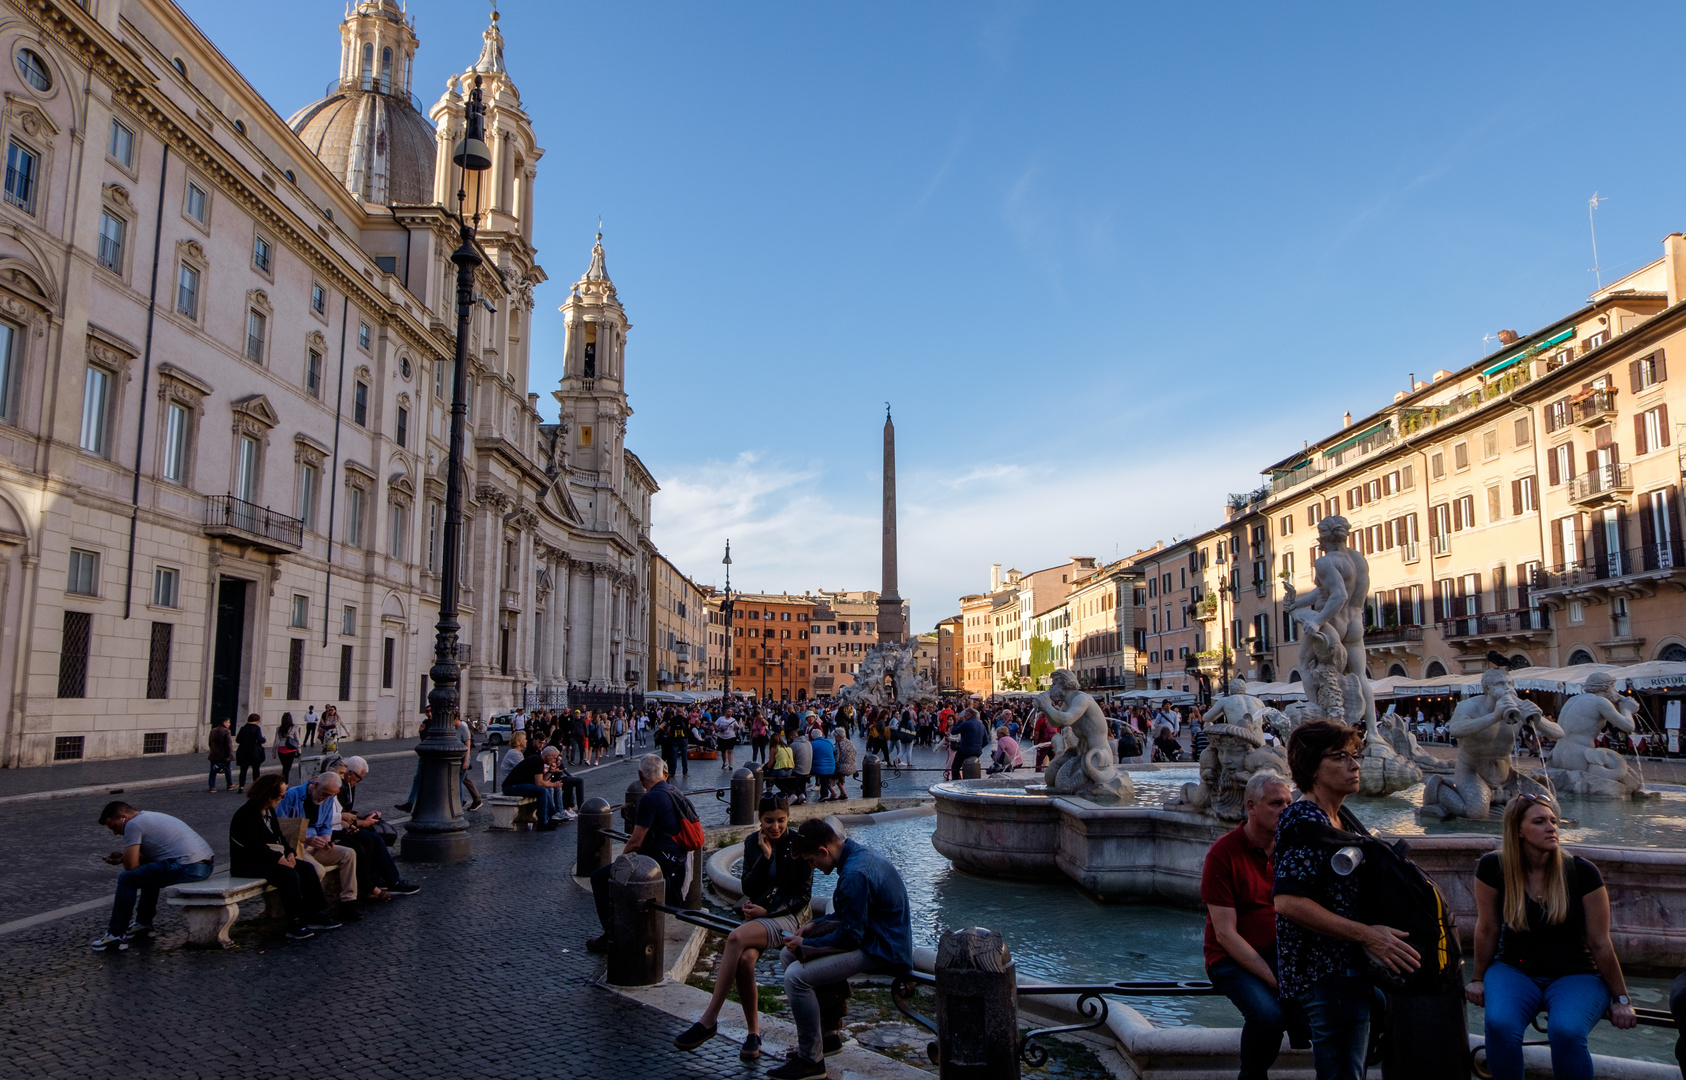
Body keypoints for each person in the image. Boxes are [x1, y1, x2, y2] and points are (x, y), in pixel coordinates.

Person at [1273, 720, 1419, 1080]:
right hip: (1327, 973)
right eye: (1340, 757)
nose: (1355, 765)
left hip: (1345, 971)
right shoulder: (1304, 820)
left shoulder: (1337, 818)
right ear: (1311, 767)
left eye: (1355, 755)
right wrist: (1368, 935)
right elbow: (1288, 901)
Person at [1466, 793, 1634, 1080]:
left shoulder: (1582, 872)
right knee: (1499, 1025)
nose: (1551, 827)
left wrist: (1621, 998)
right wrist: (1478, 978)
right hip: (1514, 968)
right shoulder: (1494, 867)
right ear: (1517, 830)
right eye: (1540, 821)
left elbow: (1600, 942)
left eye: (1554, 821)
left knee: (1566, 1031)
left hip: (1576, 974)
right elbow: (1487, 928)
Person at [674, 794, 814, 1061]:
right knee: (745, 962)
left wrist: (768, 911)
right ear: (759, 820)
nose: (775, 827)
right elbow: (748, 887)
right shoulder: (753, 843)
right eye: (769, 821)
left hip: (792, 918)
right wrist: (765, 856)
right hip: (762, 916)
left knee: (735, 938)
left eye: (781, 820)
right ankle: (753, 1034)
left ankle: (709, 1019)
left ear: (788, 818)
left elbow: (803, 895)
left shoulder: (798, 843)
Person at [770, 819, 913, 1080]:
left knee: (795, 978)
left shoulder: (854, 875)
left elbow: (850, 937)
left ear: (823, 851)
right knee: (787, 954)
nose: (812, 866)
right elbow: (850, 917)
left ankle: (810, 1060)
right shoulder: (856, 854)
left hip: (882, 949)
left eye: (811, 861)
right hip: (873, 937)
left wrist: (808, 944)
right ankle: (828, 1036)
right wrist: (812, 927)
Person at [1203, 771, 1299, 1080]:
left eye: (1288, 802)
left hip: (1280, 953)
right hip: (1228, 959)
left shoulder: (1293, 849)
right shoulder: (1223, 852)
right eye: (1275, 803)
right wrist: (1273, 978)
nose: (1285, 809)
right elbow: (1225, 934)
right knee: (1268, 1016)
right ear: (1251, 807)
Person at [588, 755, 691, 953]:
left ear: (640, 775)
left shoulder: (650, 798)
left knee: (600, 878)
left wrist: (621, 863)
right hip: (677, 861)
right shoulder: (675, 792)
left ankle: (612, 933)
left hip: (657, 862)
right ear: (665, 773)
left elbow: (636, 841)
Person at [91, 802, 216, 949]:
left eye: (114, 826)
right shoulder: (148, 817)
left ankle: (115, 935)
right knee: (147, 872)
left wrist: (126, 858)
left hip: (187, 866)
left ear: (123, 817)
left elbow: (130, 866)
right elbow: (148, 858)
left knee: (126, 878)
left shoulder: (133, 825)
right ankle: (143, 924)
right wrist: (123, 857)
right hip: (204, 865)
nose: (115, 833)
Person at [230, 775, 337, 941]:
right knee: (288, 874)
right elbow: (255, 847)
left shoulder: (269, 811)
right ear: (268, 795)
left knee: (307, 869)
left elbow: (280, 836)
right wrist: (280, 860)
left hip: (267, 858)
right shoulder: (246, 814)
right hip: (248, 862)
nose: (282, 798)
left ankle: (316, 914)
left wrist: (289, 852)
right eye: (280, 796)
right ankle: (294, 922)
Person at [328, 756, 419, 898]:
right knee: (372, 839)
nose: (342, 776)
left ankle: (383, 878)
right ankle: (390, 881)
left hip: (341, 826)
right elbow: (338, 816)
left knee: (374, 837)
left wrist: (364, 816)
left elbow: (346, 813)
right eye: (341, 773)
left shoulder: (348, 786)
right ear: (351, 774)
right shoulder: (337, 787)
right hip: (336, 829)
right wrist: (362, 823)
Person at [277, 772, 360, 914]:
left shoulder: (327, 799)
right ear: (315, 785)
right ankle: (312, 909)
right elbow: (280, 827)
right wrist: (307, 839)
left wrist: (327, 838)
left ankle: (348, 901)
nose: (326, 798)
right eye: (325, 793)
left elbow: (326, 825)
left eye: (330, 795)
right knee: (317, 870)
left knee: (349, 853)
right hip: (297, 846)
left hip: (317, 844)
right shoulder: (292, 795)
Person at [502, 746, 574, 828]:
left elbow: (542, 780)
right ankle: (543, 822)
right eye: (554, 758)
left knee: (545, 789)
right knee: (542, 791)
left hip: (517, 785)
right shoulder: (537, 760)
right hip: (511, 787)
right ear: (548, 756)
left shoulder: (538, 760)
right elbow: (539, 783)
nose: (554, 761)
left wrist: (551, 771)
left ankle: (552, 814)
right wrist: (554, 785)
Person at [456, 713, 484, 812]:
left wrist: (466, 761)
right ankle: (477, 799)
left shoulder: (463, 728)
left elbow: (468, 746)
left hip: (463, 759)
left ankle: (460, 801)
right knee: (465, 780)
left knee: (458, 781)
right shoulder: (452, 728)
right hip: (456, 760)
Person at [949, 708, 987, 779]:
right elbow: (986, 741)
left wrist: (959, 721)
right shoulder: (981, 725)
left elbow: (954, 731)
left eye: (965, 714)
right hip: (977, 752)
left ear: (969, 715)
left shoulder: (966, 724)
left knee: (955, 767)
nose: (964, 716)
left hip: (965, 750)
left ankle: (956, 782)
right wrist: (978, 747)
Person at [234, 713, 267, 791]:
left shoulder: (243, 728)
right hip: (254, 751)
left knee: (243, 770)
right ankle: (256, 786)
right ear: (256, 720)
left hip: (243, 751)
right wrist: (264, 739)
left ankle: (241, 787)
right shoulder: (257, 728)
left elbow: (237, 740)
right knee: (256, 769)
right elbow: (260, 740)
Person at [809, 729, 837, 802]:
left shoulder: (812, 744)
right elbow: (834, 751)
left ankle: (824, 795)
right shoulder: (829, 742)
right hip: (831, 767)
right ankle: (825, 795)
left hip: (819, 768)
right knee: (825, 778)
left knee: (822, 775)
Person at [207, 717, 234, 792]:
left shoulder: (213, 730)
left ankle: (212, 787)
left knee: (213, 770)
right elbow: (228, 745)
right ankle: (230, 784)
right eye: (228, 722)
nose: (229, 724)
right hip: (224, 754)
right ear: (224, 723)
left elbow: (210, 742)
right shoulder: (226, 731)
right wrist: (229, 755)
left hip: (214, 754)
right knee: (227, 769)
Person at [275, 713, 302, 784]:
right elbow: (297, 740)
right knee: (287, 768)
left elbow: (276, 741)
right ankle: (284, 783)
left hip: (281, 749)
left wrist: (273, 752)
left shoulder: (279, 728)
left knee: (285, 767)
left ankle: (283, 782)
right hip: (290, 749)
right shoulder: (294, 728)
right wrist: (299, 751)